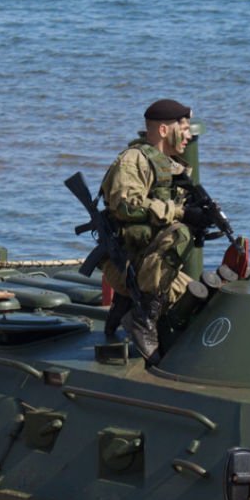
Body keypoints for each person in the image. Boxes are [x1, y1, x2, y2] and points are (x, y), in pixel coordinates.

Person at [99, 97, 209, 359]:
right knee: (179, 235)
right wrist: (180, 213)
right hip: (124, 261)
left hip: (146, 263)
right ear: (163, 130)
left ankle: (128, 305)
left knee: (197, 300)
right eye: (183, 129)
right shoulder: (133, 161)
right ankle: (142, 319)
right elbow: (125, 206)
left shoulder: (170, 166)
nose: (188, 136)